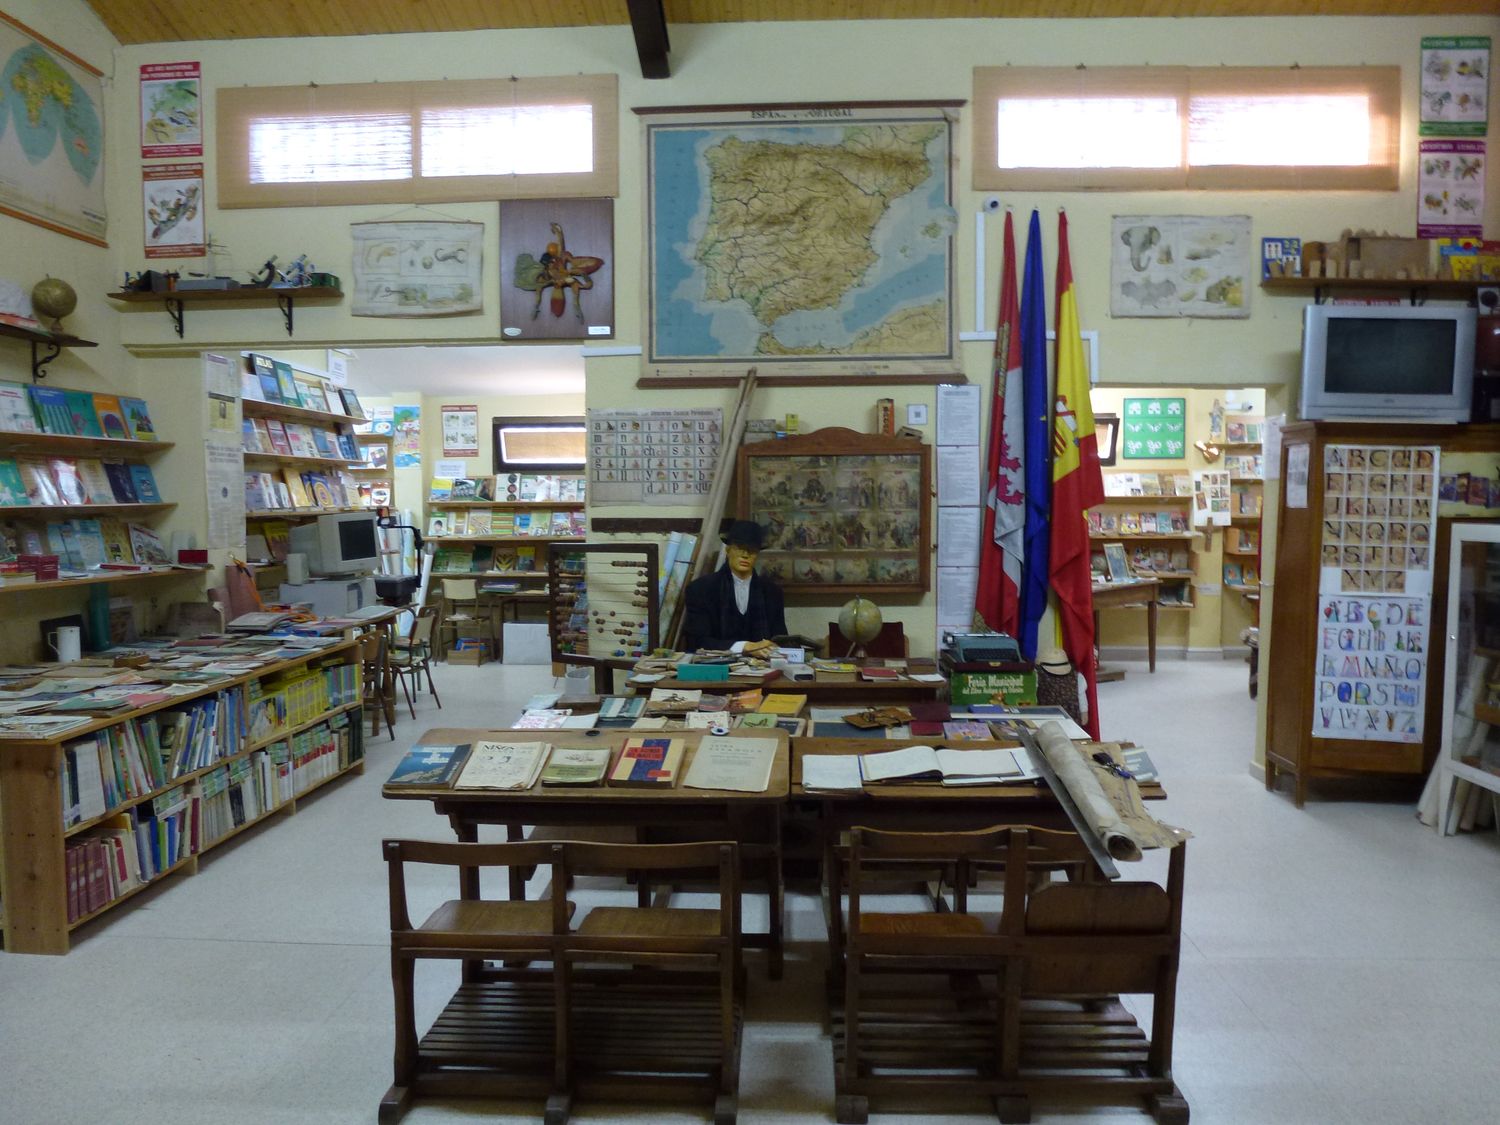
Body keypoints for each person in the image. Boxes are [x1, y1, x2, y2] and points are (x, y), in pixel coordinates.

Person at [681, 520, 787, 654]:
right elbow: (697, 641)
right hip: (717, 664)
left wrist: (772, 648)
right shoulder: (701, 589)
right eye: (739, 548)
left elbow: (780, 638)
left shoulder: (772, 592)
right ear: (728, 550)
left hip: (762, 663)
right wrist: (744, 647)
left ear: (757, 554)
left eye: (752, 550)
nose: (745, 555)